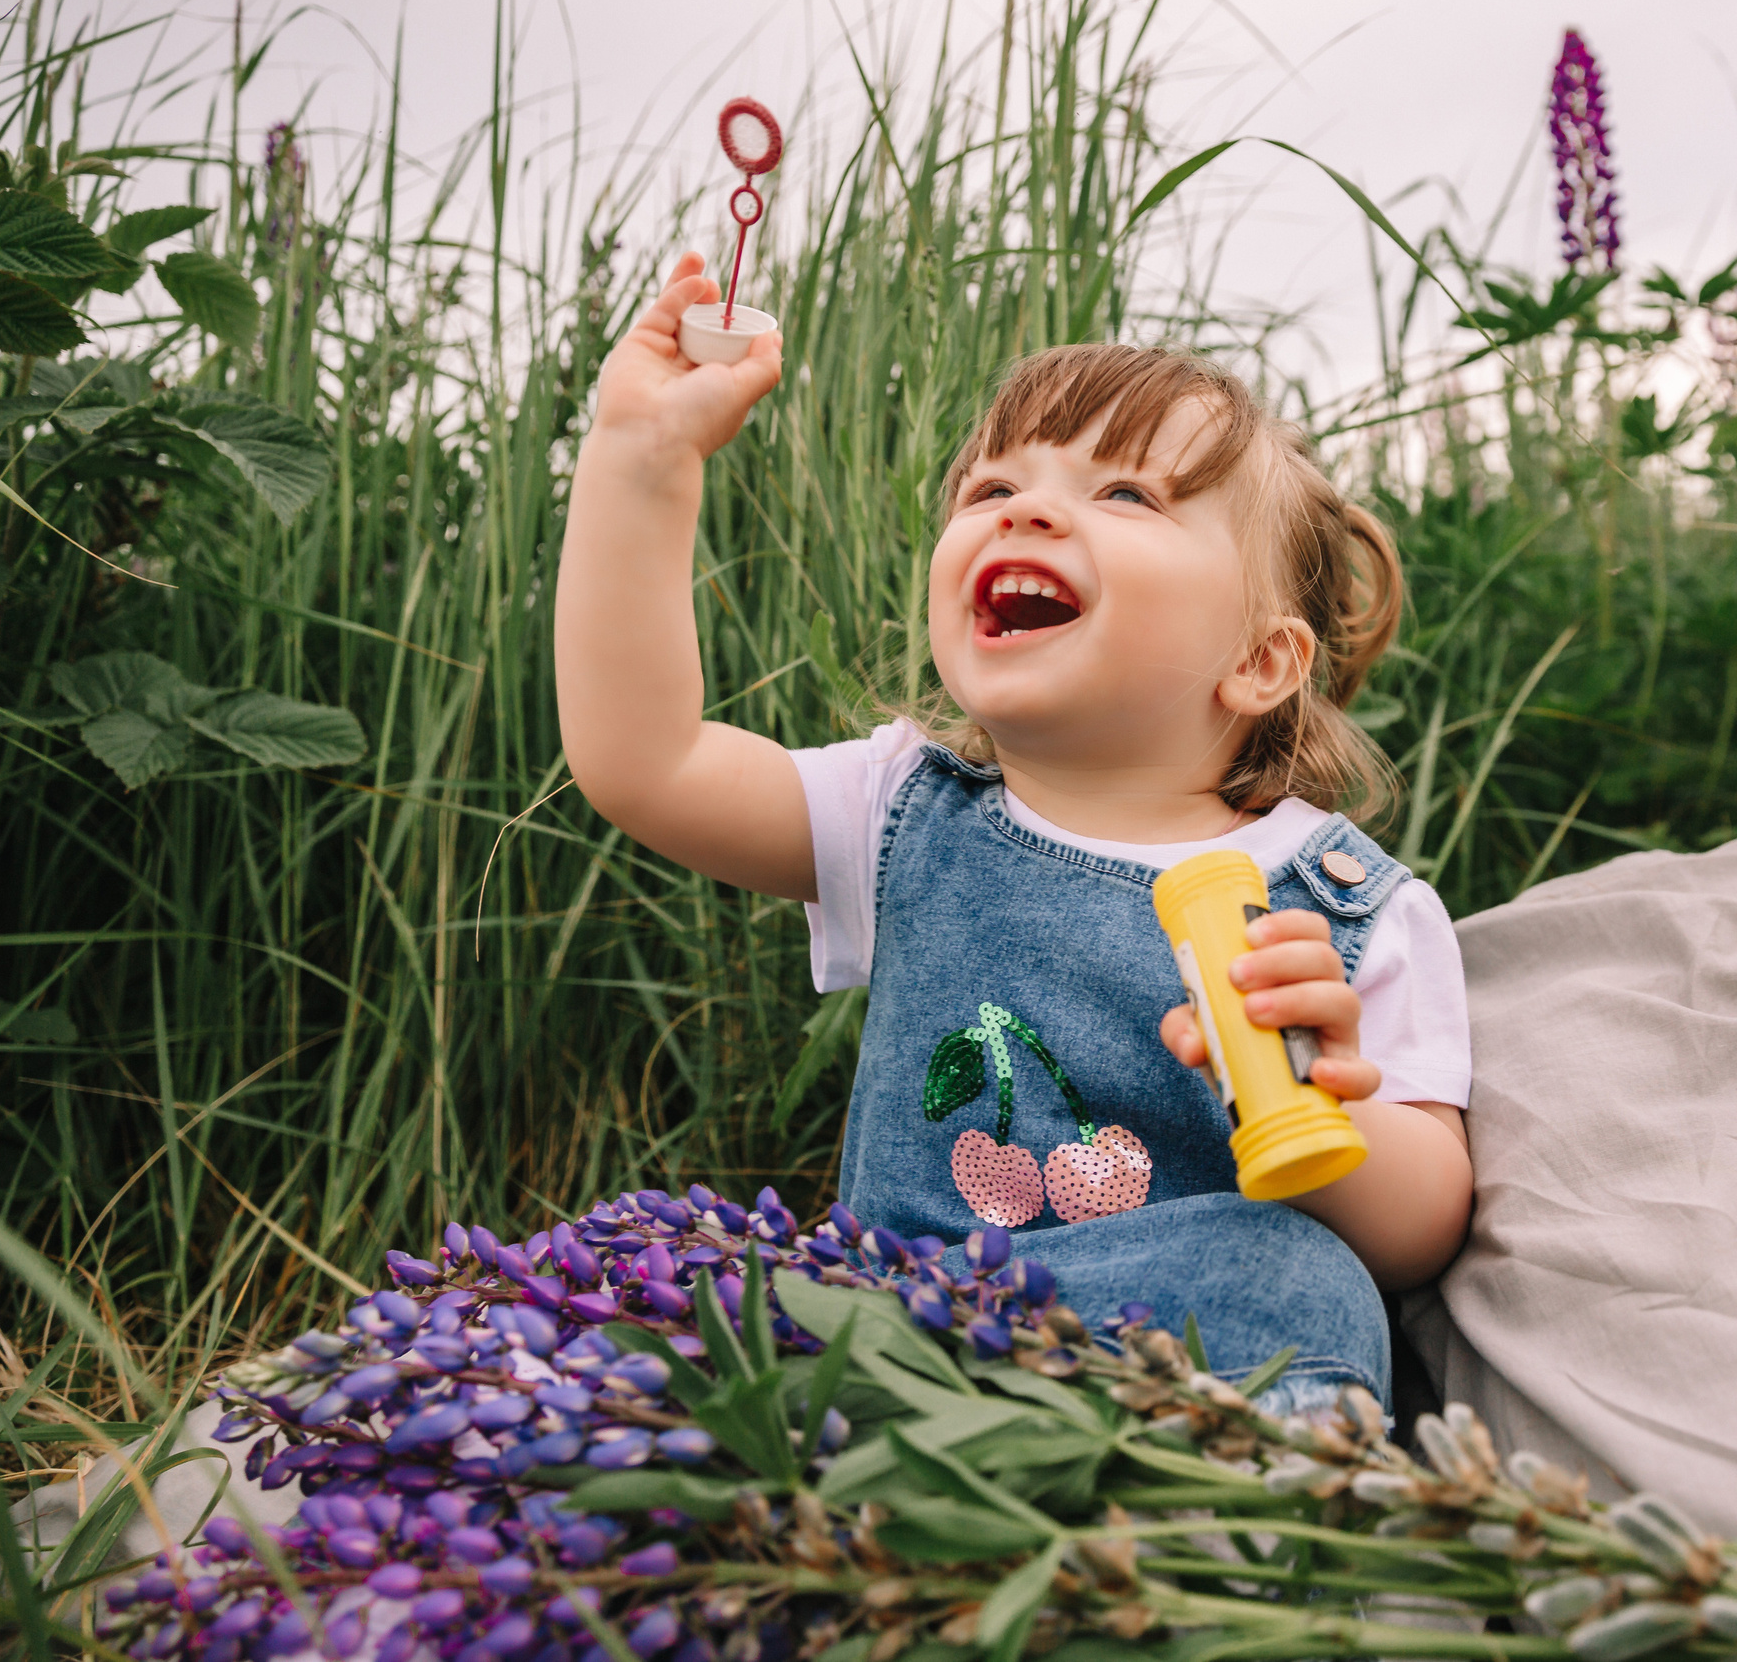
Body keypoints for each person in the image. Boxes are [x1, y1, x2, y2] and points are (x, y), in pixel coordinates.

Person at [556, 252, 1473, 1410]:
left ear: (1259, 661)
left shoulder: (1349, 906)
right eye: (990, 490)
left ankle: (1218, 1544)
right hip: (901, 1335)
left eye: (1127, 495)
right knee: (694, 1298)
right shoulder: (902, 812)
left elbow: (1422, 1232)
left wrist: (1326, 1110)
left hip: (1171, 1369)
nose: (1027, 507)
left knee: (1301, 1277)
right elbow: (647, 763)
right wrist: (641, 462)